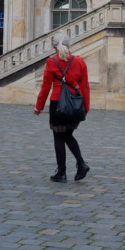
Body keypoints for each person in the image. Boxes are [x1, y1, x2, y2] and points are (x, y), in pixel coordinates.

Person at [34, 32, 90, 183]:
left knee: (59, 137)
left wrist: (38, 107)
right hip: (74, 105)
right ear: (69, 45)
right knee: (68, 135)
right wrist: (86, 107)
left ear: (54, 47)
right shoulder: (79, 61)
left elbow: (45, 88)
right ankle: (81, 163)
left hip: (58, 104)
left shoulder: (52, 61)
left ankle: (62, 172)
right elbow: (85, 87)